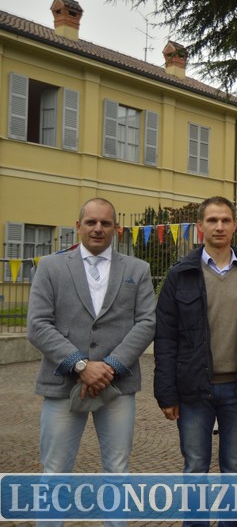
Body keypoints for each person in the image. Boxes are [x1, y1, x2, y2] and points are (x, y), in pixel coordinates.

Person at [27, 198, 156, 525]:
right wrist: (81, 365)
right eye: (91, 222)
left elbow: (147, 322)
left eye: (105, 223)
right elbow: (38, 325)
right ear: (78, 226)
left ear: (116, 229)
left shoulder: (138, 270)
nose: (98, 228)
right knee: (54, 472)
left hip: (117, 385)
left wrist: (110, 366)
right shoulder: (50, 267)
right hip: (62, 384)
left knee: (118, 472)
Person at [154, 196, 237, 526]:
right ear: (200, 226)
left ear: (235, 226)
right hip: (193, 390)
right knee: (195, 468)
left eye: (225, 220)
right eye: (212, 220)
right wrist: (166, 393)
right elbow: (165, 337)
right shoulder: (181, 275)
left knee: (234, 467)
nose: (219, 226)